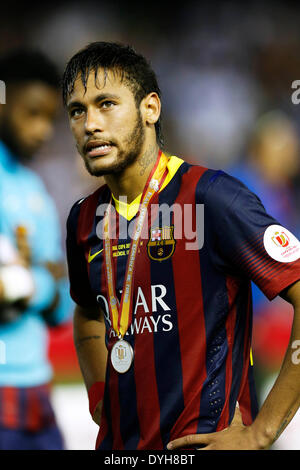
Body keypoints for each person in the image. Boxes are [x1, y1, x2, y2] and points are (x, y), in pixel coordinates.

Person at [63, 41, 300, 450]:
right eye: (77, 111)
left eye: (106, 104)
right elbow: (87, 309)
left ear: (150, 109)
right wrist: (101, 390)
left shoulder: (213, 198)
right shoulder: (83, 219)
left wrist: (262, 432)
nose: (90, 125)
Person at [0, 49, 72, 450]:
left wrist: (32, 282)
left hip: (38, 389)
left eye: (49, 117)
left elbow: (61, 305)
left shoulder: (35, 191)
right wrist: (41, 280)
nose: (43, 130)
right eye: (32, 113)